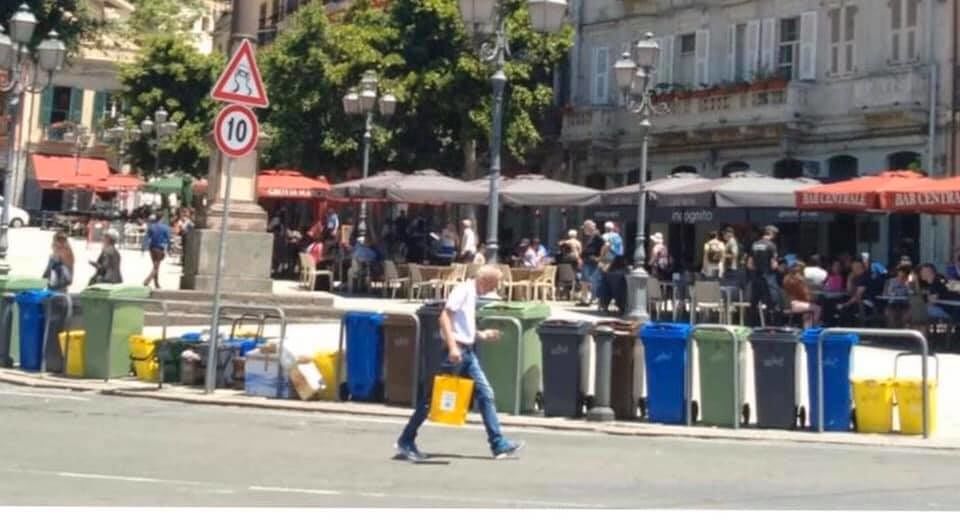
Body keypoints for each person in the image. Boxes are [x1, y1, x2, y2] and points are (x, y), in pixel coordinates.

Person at [395, 265, 524, 461]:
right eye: (495, 284)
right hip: (457, 352)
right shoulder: (463, 290)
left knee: (486, 394)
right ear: (486, 281)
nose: (495, 288)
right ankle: (406, 439)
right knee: (433, 398)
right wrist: (453, 347)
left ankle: (498, 444)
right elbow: (445, 317)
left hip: (467, 352)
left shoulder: (471, 293)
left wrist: (481, 335)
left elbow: (461, 324)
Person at [749, 225, 781, 325]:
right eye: (775, 234)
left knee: (754, 303)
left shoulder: (754, 244)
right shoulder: (771, 245)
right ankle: (772, 327)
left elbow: (750, 265)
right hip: (768, 278)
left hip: (756, 278)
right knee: (773, 303)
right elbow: (773, 265)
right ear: (771, 233)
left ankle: (753, 326)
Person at [782, 262, 821, 328]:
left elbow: (806, 292)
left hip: (802, 302)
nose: (801, 271)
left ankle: (807, 329)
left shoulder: (800, 279)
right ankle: (813, 329)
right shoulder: (789, 279)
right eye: (800, 269)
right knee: (817, 309)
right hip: (794, 304)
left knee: (808, 312)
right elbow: (800, 291)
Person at [837, 260, 871, 324]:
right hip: (855, 301)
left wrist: (846, 304)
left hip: (866, 303)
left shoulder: (864, 277)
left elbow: (858, 295)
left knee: (846, 308)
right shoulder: (856, 277)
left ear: (860, 267)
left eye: (855, 268)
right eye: (852, 268)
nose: (853, 270)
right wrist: (849, 279)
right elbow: (849, 292)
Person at [579, 221, 604, 305]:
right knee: (584, 281)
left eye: (585, 227)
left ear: (589, 227)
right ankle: (584, 299)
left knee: (590, 281)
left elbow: (606, 245)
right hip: (586, 260)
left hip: (592, 260)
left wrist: (600, 257)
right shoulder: (588, 236)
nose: (584, 230)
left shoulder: (596, 235)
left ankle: (591, 298)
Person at [143, 215, 171, 289]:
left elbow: (147, 237)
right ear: (162, 219)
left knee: (155, 266)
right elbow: (168, 239)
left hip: (152, 248)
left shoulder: (151, 227)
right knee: (156, 266)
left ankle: (156, 283)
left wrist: (143, 248)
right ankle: (147, 281)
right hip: (160, 248)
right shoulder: (165, 227)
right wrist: (169, 248)